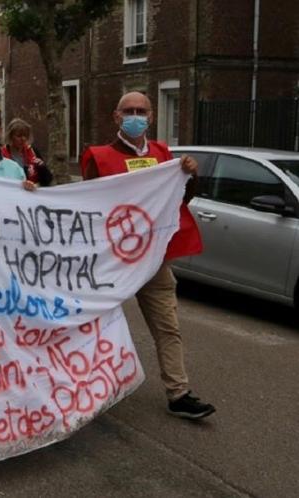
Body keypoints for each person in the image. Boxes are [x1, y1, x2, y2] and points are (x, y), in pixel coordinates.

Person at [81, 91, 214, 420]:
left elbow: (180, 198)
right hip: (110, 262)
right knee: (93, 325)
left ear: (151, 116)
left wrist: (190, 174)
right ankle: (85, 390)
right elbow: (84, 205)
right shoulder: (98, 156)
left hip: (153, 260)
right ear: (116, 117)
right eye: (129, 111)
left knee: (168, 326)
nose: (135, 116)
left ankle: (179, 392)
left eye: (141, 110)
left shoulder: (163, 154)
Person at [2, 118, 53, 186]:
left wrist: (42, 168)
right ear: (10, 136)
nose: (23, 139)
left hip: (31, 193)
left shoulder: (33, 151)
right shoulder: (2, 154)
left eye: (25, 135)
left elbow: (48, 180)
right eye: (19, 136)